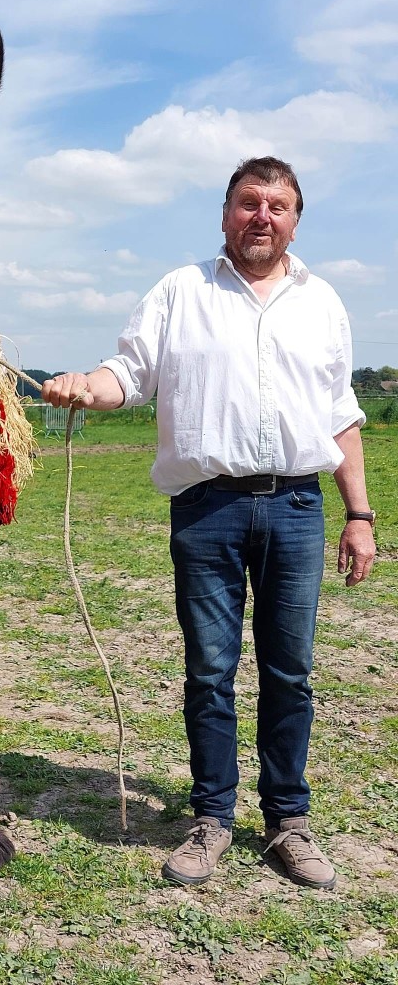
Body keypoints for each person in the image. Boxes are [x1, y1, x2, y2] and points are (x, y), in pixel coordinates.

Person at [42, 157, 376, 892]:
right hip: (207, 510)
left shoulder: (323, 302)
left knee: (291, 672)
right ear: (225, 213)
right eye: (248, 202)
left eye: (277, 205)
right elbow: (125, 374)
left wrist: (359, 513)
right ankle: (212, 820)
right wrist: (84, 389)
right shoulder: (178, 292)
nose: (262, 216)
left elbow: (341, 415)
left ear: (294, 220)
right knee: (210, 673)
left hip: (296, 507)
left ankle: (289, 823)